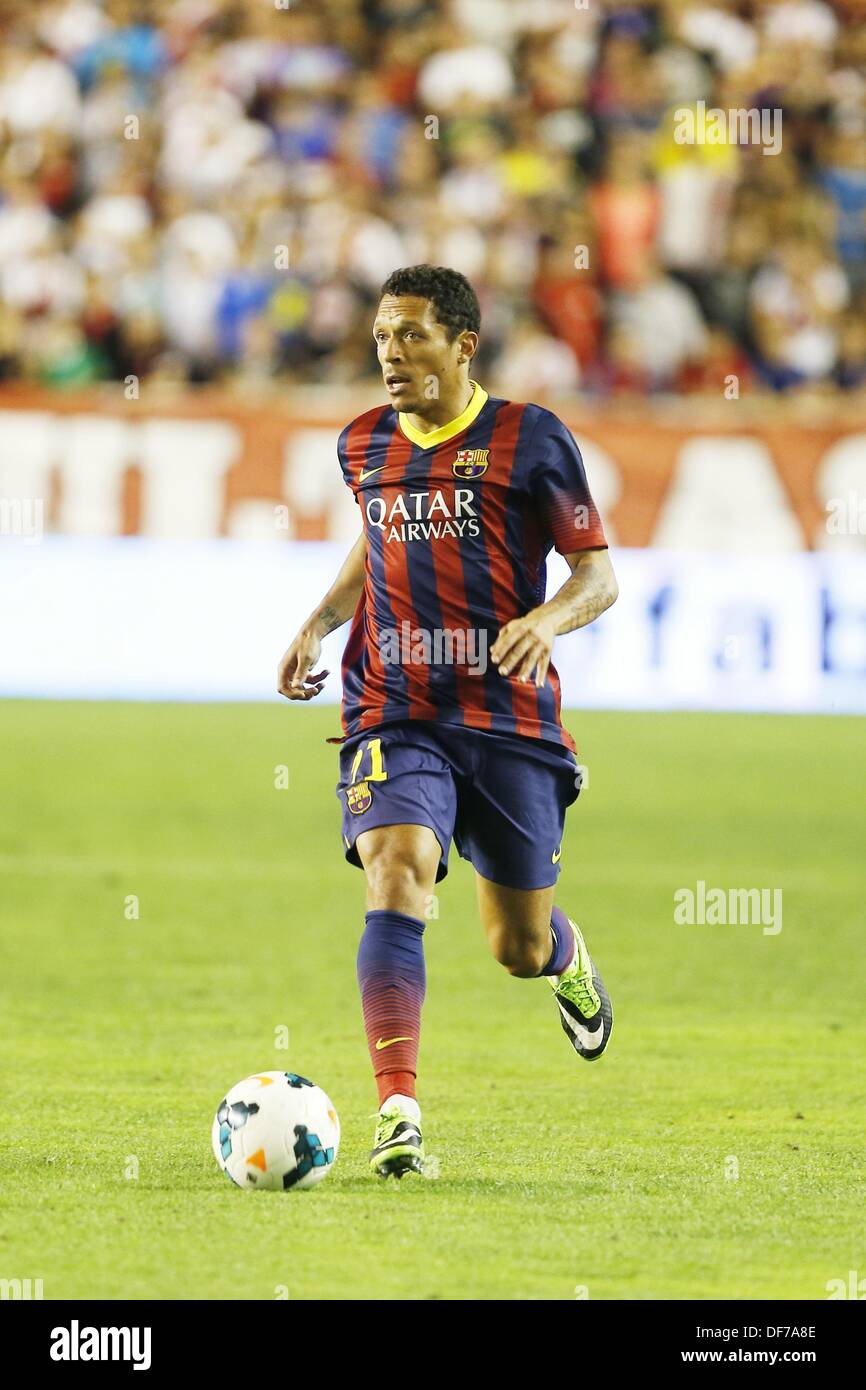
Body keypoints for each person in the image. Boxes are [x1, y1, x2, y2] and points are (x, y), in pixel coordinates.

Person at [278, 265, 619, 1179]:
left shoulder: (531, 438)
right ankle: (398, 1114)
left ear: (464, 344)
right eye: (383, 337)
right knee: (396, 873)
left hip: (508, 714)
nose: (392, 355)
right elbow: (375, 539)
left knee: (518, 946)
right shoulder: (363, 444)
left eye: (413, 336)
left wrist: (545, 621)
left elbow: (599, 574)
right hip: (396, 705)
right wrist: (318, 622)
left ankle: (566, 956)